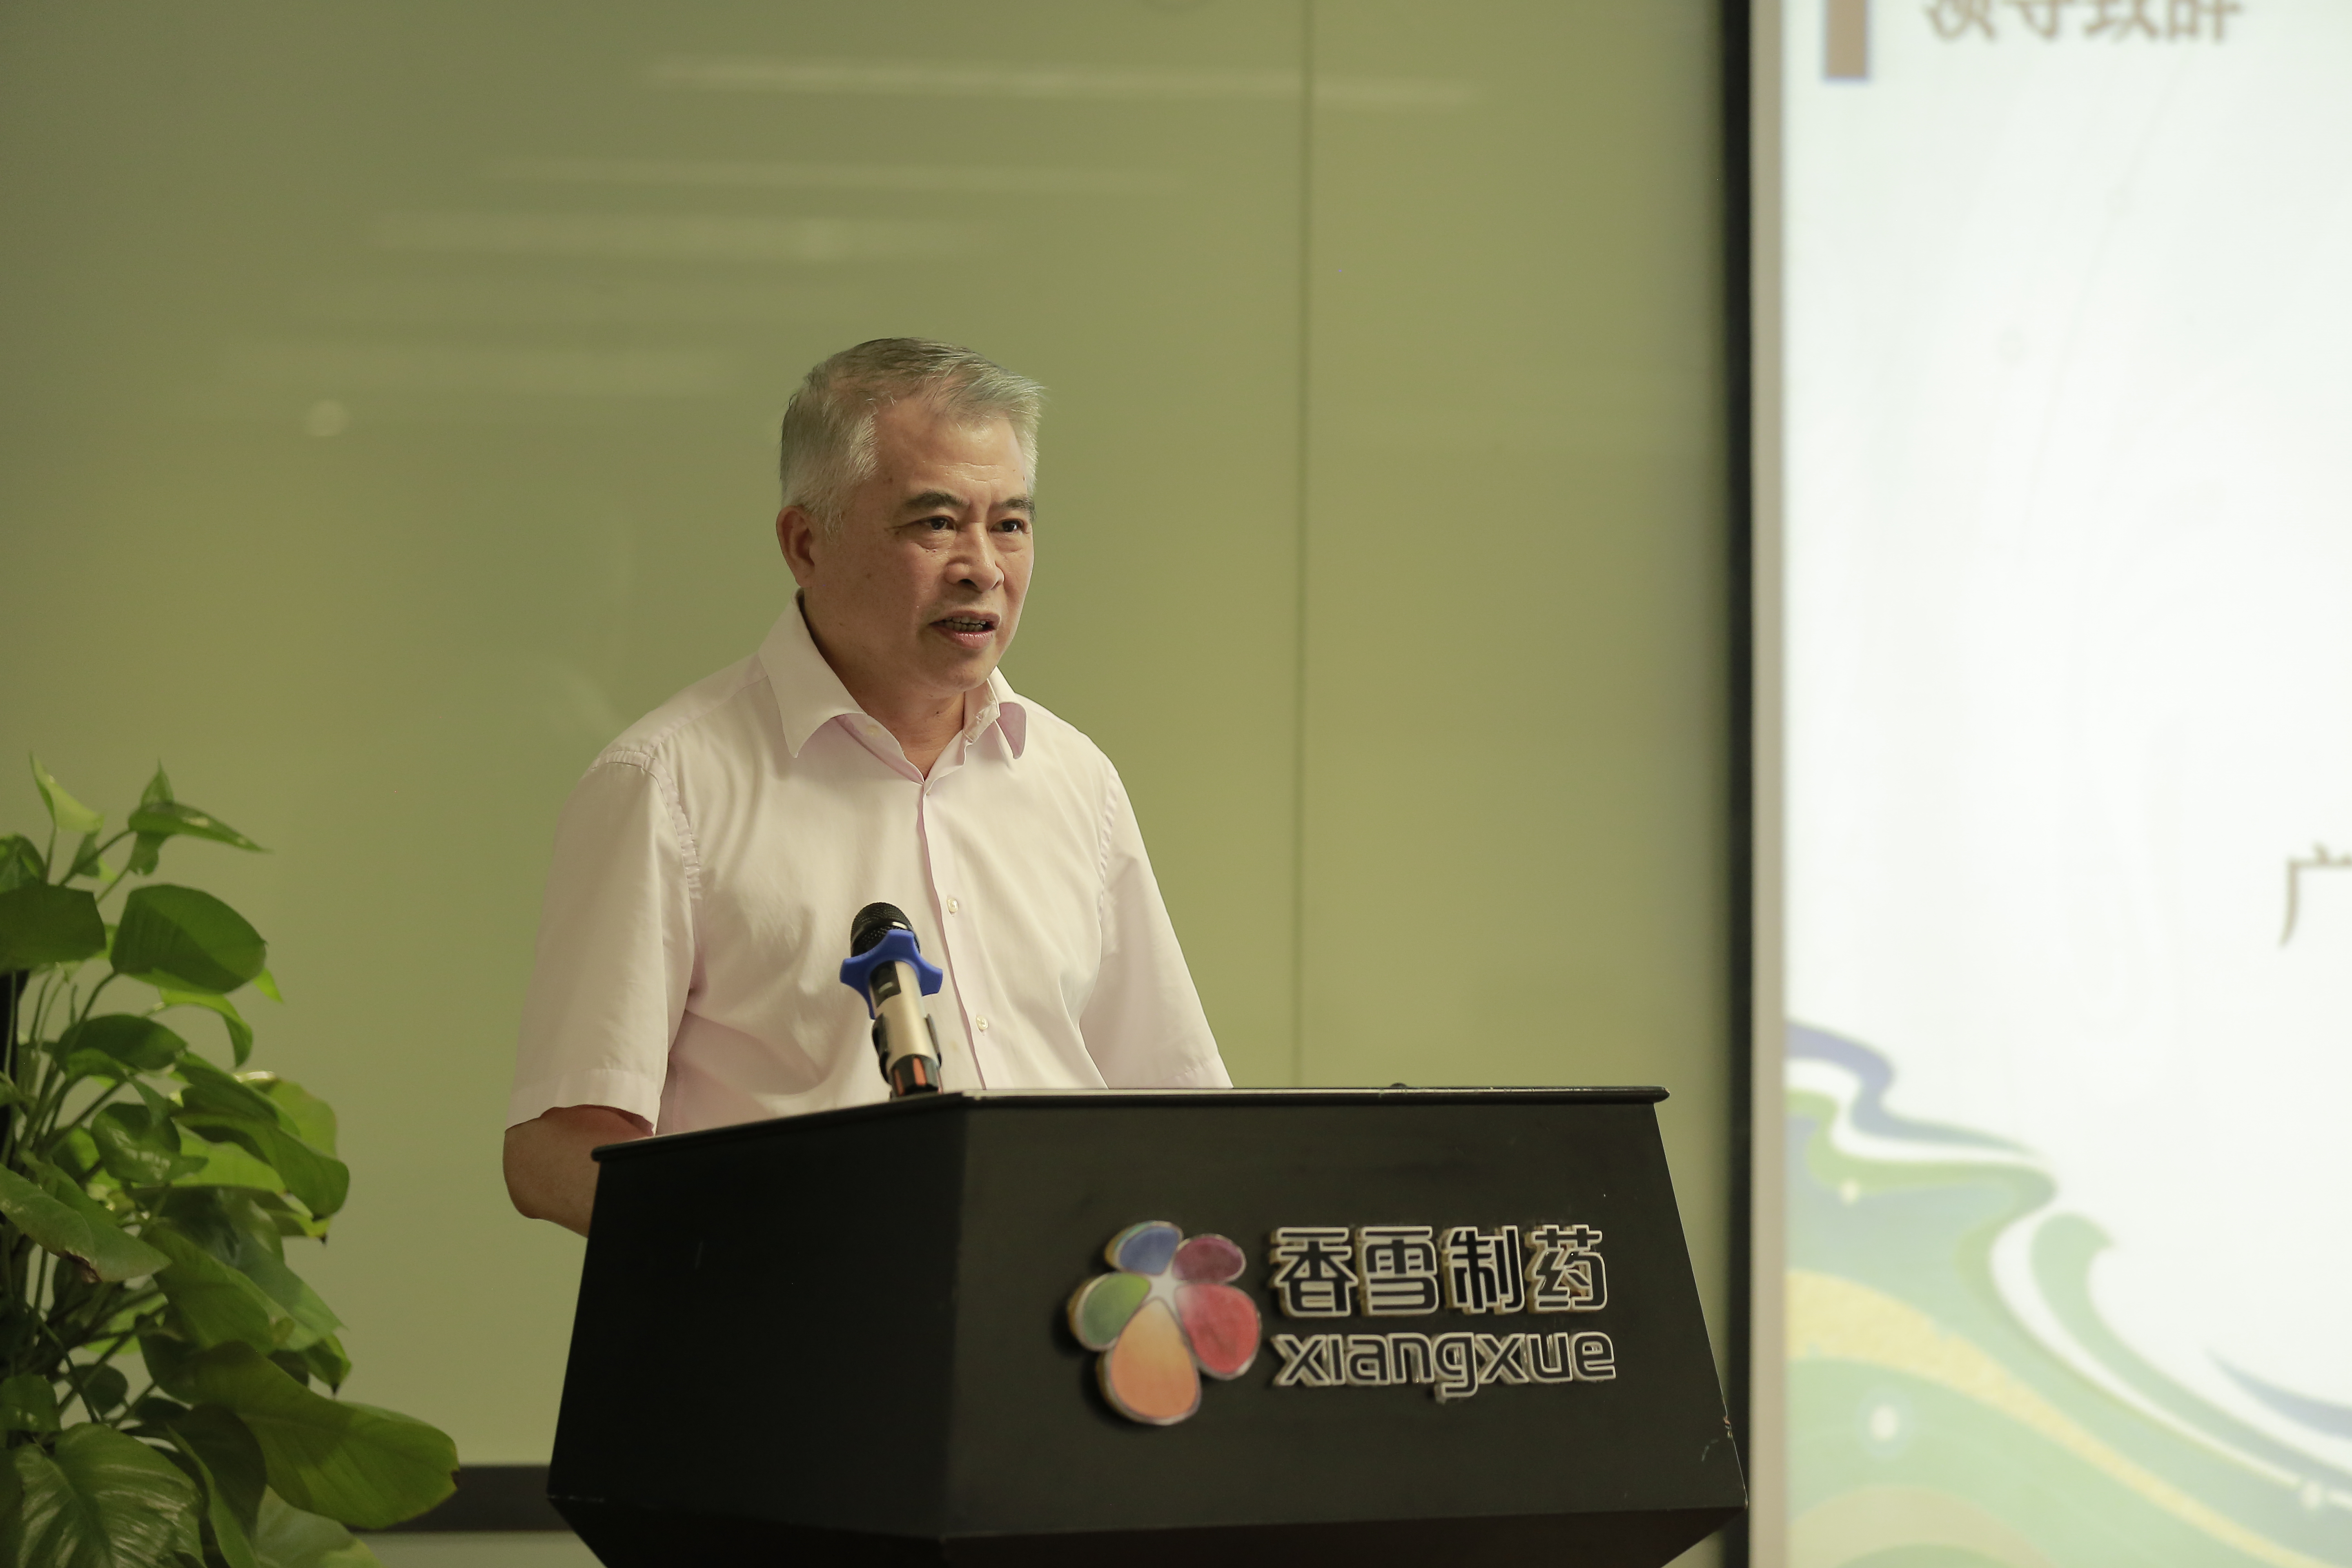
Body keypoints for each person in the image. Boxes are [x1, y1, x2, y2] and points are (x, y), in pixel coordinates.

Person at [502, 339, 1229, 1234]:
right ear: (806, 543)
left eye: (1010, 524)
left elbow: (1177, 1104)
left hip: (1056, 1309)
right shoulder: (669, 784)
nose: (984, 567)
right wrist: (785, 1242)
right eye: (937, 523)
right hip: (801, 1311)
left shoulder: (1075, 778)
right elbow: (556, 1149)